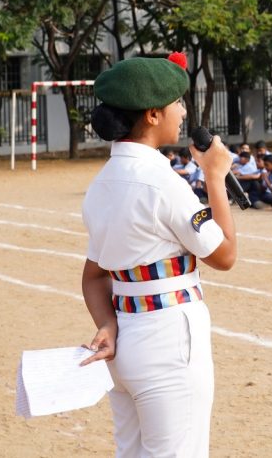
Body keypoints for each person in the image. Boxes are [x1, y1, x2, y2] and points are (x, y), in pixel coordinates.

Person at [81, 53, 237, 457]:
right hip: (168, 339)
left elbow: (94, 276)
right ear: (152, 115)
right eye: (177, 104)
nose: (183, 113)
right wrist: (215, 177)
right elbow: (223, 254)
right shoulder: (161, 182)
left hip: (124, 338)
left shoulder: (101, 184)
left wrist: (108, 324)